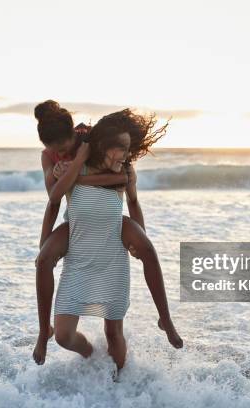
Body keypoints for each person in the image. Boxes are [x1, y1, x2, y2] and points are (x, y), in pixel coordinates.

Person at [32, 101, 183, 366]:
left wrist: (139, 239)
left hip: (112, 226)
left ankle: (165, 319)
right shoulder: (55, 159)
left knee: (147, 250)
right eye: (56, 151)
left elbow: (125, 183)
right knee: (43, 260)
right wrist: (43, 244)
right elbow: (53, 200)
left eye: (65, 148)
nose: (62, 154)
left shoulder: (97, 143)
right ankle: (48, 333)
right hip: (78, 227)